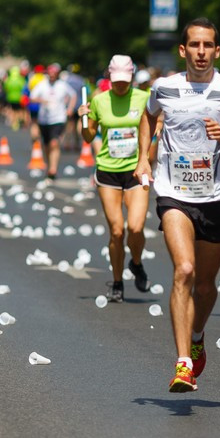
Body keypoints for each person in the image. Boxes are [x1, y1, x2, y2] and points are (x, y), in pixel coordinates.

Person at [134, 19, 220, 393]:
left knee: (205, 287)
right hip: (173, 192)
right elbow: (148, 115)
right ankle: (183, 364)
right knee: (184, 270)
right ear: (183, 50)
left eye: (208, 45)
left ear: (217, 51)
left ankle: (197, 335)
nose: (201, 52)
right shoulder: (165, 87)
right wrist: (143, 158)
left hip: (217, 196)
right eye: (194, 45)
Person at [82, 55, 152, 302]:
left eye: (125, 80)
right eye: (116, 80)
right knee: (117, 231)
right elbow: (88, 136)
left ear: (132, 77)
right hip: (108, 170)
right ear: (109, 77)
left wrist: (148, 156)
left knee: (135, 227)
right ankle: (117, 281)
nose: (121, 85)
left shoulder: (144, 98)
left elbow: (156, 128)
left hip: (136, 170)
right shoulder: (99, 100)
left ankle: (136, 262)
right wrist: (83, 119)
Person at [30, 64, 75, 180]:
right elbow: (32, 97)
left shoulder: (62, 85)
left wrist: (70, 109)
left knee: (54, 143)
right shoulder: (42, 84)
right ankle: (49, 164)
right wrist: (42, 100)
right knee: (46, 145)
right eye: (50, 74)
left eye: (54, 74)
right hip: (44, 119)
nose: (52, 76)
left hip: (58, 118)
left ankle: (53, 169)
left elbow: (73, 95)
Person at [3, 65, 27, 130]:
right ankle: (19, 120)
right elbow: (24, 88)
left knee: (13, 110)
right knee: (19, 110)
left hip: (10, 97)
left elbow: (5, 88)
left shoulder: (8, 79)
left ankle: (14, 123)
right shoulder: (21, 79)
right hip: (19, 97)